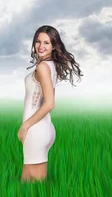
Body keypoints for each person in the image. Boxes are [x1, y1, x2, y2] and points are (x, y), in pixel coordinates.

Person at [17, 25, 83, 182]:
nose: (41, 46)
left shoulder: (42, 67)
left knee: (31, 184)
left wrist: (25, 125)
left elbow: (50, 103)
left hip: (35, 129)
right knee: (32, 183)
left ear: (54, 46)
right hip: (44, 128)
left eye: (46, 43)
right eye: (38, 41)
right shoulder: (50, 65)